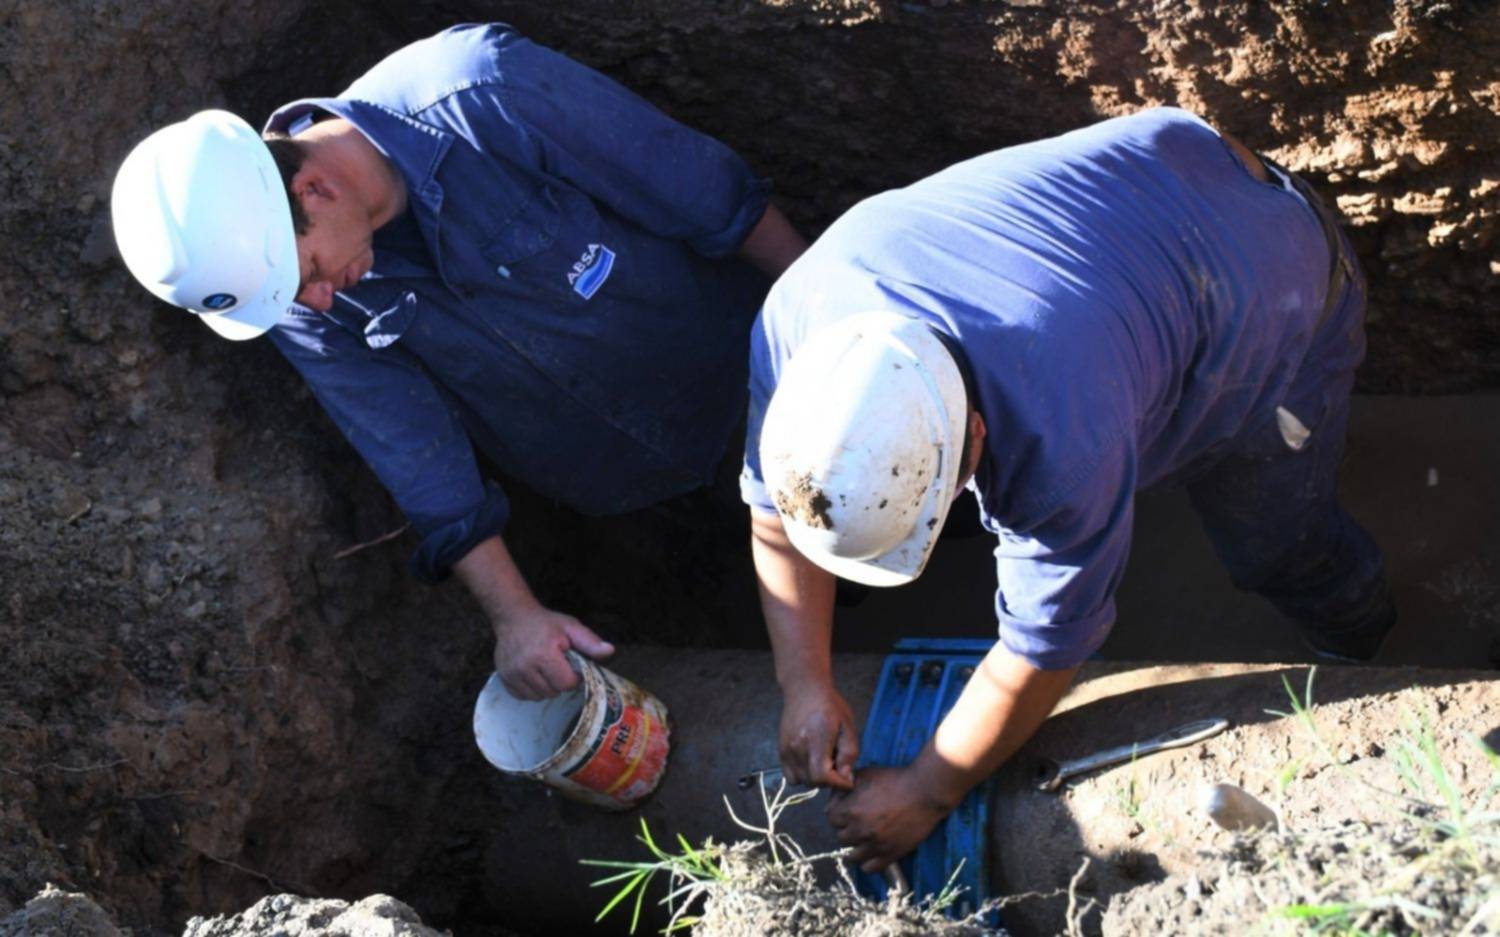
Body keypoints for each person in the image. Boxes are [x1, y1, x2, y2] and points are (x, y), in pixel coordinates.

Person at [740, 107, 1393, 871]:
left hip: (1277, 289)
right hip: (1162, 190)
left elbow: (1045, 645)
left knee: (1274, 541)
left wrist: (927, 788)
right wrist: (804, 682)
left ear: (975, 437)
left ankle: (1360, 643)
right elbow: (776, 513)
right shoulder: (799, 317)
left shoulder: (1062, 438)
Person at [111, 24, 807, 702]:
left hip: (775, 393)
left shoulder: (483, 93)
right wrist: (516, 617)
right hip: (647, 500)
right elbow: (411, 444)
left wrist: (839, 336)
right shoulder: (289, 285)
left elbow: (715, 200)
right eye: (298, 292)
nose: (319, 302)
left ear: (314, 190)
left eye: (314, 271)